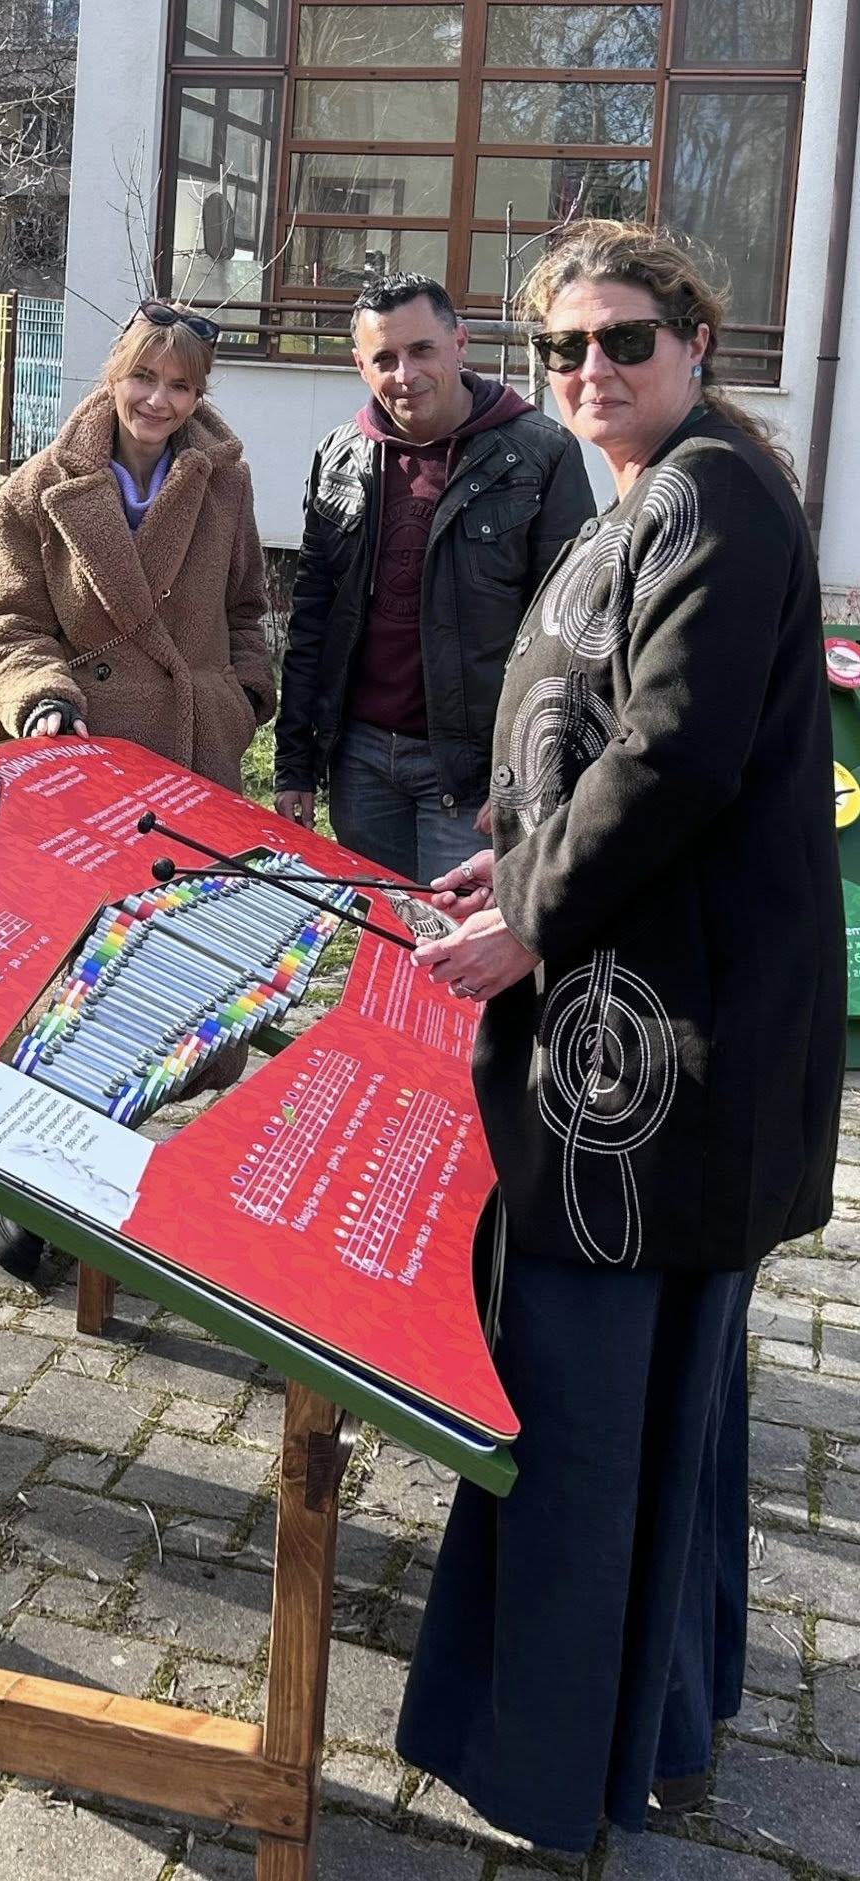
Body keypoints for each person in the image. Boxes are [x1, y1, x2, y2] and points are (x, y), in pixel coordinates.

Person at [395, 222, 844, 1851]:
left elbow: (671, 755)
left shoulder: (709, 494)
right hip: (644, 1027)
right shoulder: (664, 486)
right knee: (656, 1410)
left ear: (694, 341)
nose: (589, 369)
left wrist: (528, 916)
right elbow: (595, 737)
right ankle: (654, 1728)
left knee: (587, 1412)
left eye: (624, 339)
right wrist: (512, 850)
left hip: (651, 1063)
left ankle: (557, 1761)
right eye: (563, 348)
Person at [0, 298, 277, 1275]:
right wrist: (43, 701)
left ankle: (88, 1171)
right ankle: (28, 1195)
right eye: (143, 376)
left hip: (190, 765)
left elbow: (246, 608)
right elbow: (10, 625)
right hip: (83, 770)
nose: (158, 399)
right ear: (113, 374)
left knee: (172, 986)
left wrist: (240, 697)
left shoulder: (223, 482)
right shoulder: (37, 489)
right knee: (70, 986)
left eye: (180, 385)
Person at [273, 271, 594, 880]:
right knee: (382, 930)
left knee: (455, 935)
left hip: (475, 774)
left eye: (422, 349)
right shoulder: (339, 456)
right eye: (384, 358)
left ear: (459, 342)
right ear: (361, 366)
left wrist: (531, 773)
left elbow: (570, 634)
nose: (406, 374)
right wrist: (295, 764)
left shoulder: (541, 454)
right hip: (361, 765)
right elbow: (311, 617)